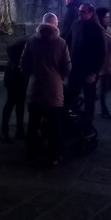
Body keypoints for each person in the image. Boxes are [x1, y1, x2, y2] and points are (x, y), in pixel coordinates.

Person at [21, 22, 71, 165]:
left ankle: (31, 154)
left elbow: (23, 63)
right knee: (55, 124)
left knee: (33, 123)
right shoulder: (61, 43)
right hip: (54, 88)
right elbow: (67, 66)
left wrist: (31, 75)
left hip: (35, 86)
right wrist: (59, 77)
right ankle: (54, 155)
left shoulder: (31, 41)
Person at [65, 3, 106, 124]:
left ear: (90, 13)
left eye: (83, 12)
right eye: (79, 11)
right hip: (74, 68)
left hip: (89, 71)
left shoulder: (98, 29)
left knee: (89, 98)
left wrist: (94, 73)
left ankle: (88, 123)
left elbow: (102, 53)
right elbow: (67, 41)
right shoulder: (75, 24)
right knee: (70, 95)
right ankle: (69, 120)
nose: (79, 13)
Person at [0, 30, 28, 142]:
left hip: (16, 79)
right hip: (15, 79)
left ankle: (18, 129)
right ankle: (7, 131)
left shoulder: (19, 49)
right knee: (12, 103)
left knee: (17, 104)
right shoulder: (25, 46)